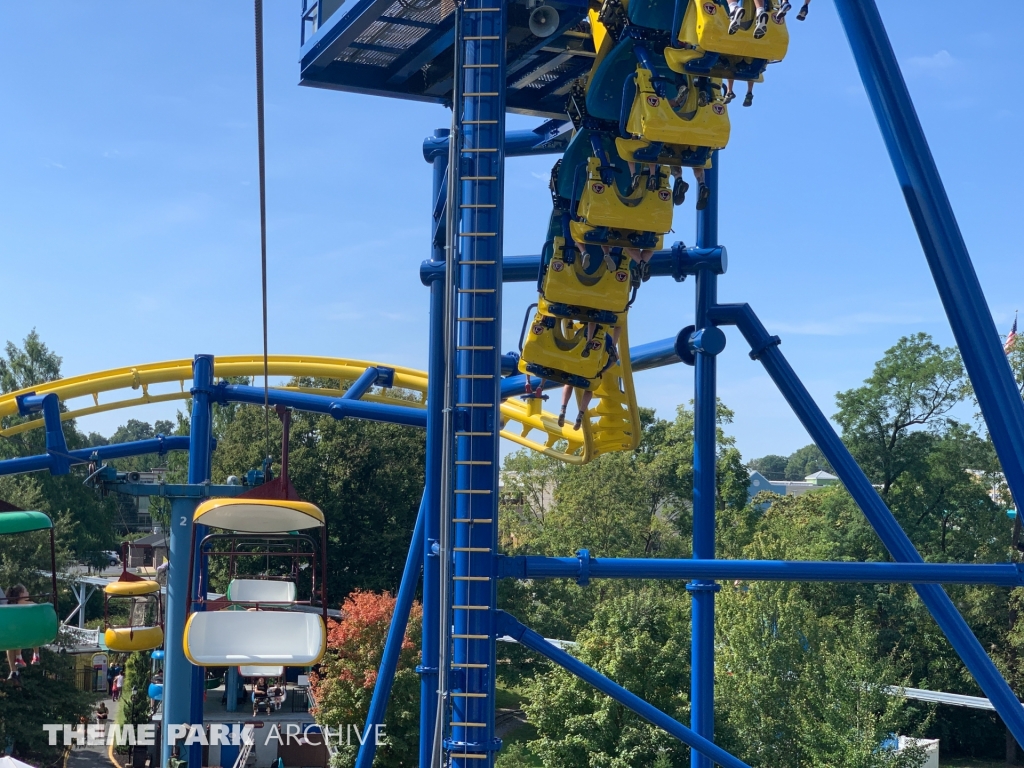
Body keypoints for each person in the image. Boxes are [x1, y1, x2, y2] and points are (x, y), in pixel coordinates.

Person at [5, 585, 41, 679]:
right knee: (33, 630)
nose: (28, 593)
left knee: (11, 643)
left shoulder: (11, 606)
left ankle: (16, 663)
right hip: (26, 632)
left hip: (14, 633)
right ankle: (36, 654)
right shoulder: (28, 603)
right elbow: (38, 608)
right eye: (26, 591)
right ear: (21, 594)